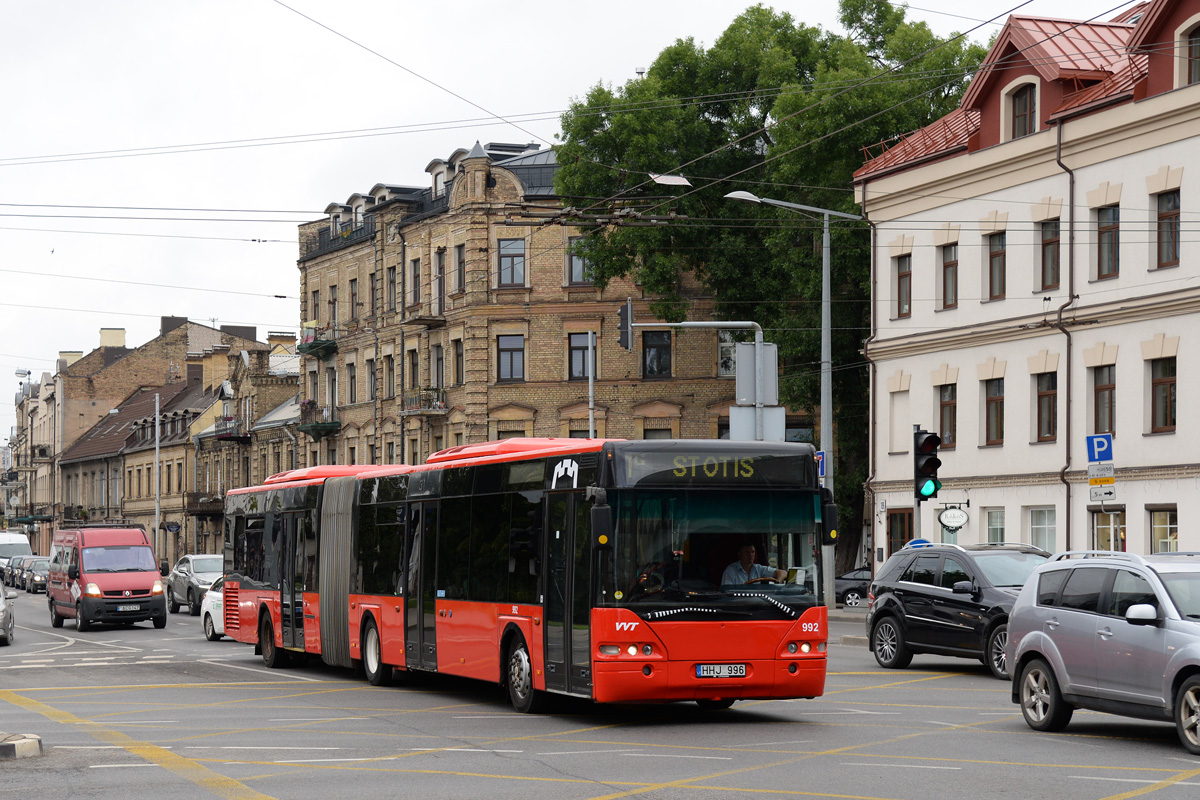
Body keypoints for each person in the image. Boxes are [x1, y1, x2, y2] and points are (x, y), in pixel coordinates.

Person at [721, 542, 787, 585]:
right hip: (739, 603)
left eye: (752, 552)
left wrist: (778, 583)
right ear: (739, 554)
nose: (750, 555)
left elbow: (783, 573)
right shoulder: (730, 571)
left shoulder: (759, 568)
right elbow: (726, 593)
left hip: (757, 602)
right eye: (747, 552)